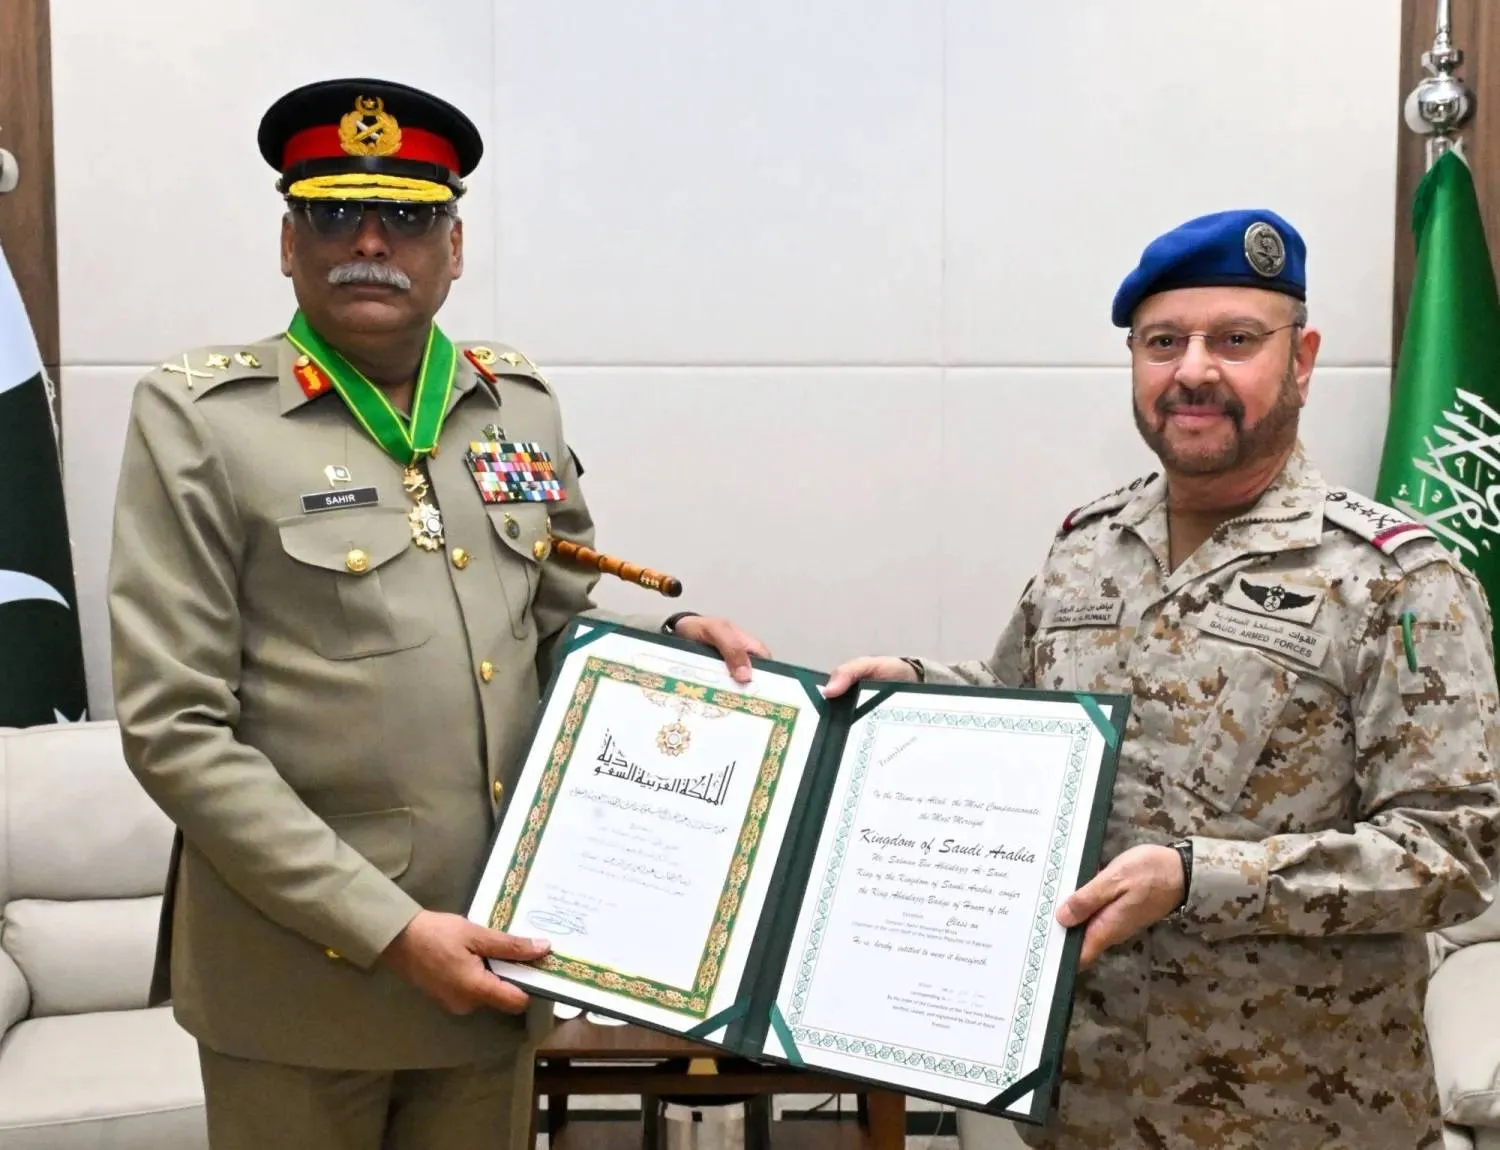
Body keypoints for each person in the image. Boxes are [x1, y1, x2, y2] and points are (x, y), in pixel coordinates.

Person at [107, 77, 768, 1150]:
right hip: (297, 989)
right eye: (333, 212)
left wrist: (671, 660)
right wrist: (389, 929)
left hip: (491, 961)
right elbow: (173, 728)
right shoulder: (199, 419)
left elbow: (556, 631)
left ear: (453, 248)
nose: (371, 239)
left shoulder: (516, 406)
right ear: (288, 242)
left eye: (408, 216)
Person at [824, 208, 1500, 1148]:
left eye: (1235, 340)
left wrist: (1197, 878)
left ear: (1300, 360)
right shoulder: (1086, 549)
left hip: (1306, 1116)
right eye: (1163, 342)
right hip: (1086, 1109)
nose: (1193, 370)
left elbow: (1453, 853)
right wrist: (908, 690)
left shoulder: (1395, 578)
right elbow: (1022, 708)